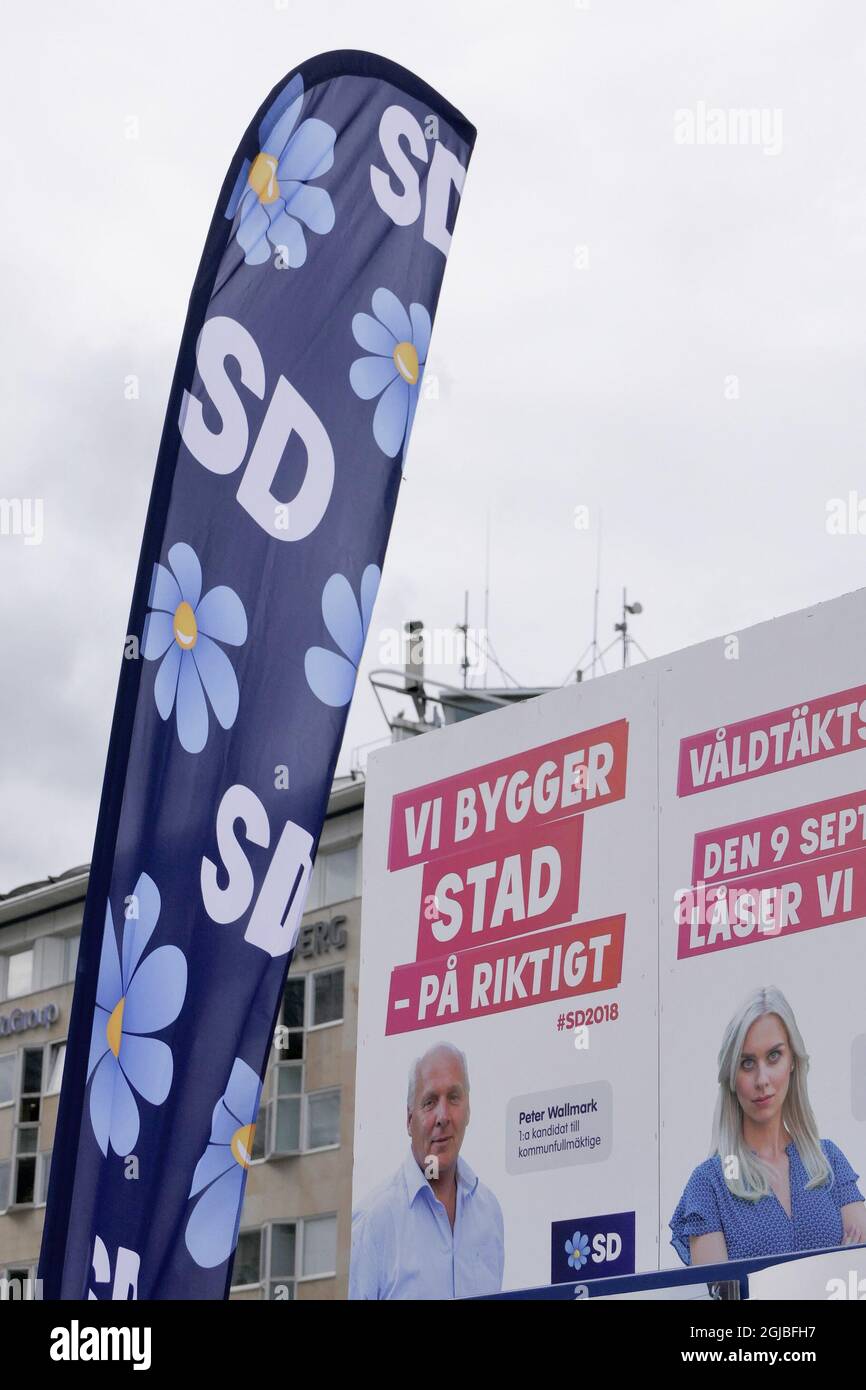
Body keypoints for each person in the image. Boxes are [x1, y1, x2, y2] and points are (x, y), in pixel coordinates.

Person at [670, 985, 866, 1266]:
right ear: (732, 1077)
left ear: (793, 1062)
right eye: (747, 1063)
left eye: (774, 1056)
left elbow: (859, 1275)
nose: (762, 1079)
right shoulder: (709, 1184)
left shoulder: (829, 1161)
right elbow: (720, 1293)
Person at [349, 1041, 504, 1298]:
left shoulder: (489, 1213)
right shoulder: (373, 1223)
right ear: (410, 1120)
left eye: (453, 1097)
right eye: (430, 1102)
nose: (443, 1116)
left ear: (468, 1110)